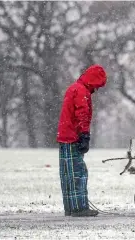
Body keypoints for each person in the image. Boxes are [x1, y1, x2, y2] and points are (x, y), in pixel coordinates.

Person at [56, 64, 107, 217]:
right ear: (93, 81)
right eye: (97, 86)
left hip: (64, 136)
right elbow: (82, 114)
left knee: (67, 174)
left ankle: (70, 207)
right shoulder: (81, 91)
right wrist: (84, 135)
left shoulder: (74, 88)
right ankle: (79, 208)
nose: (96, 90)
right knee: (78, 173)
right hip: (73, 137)